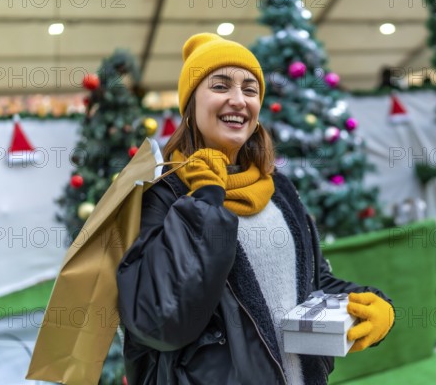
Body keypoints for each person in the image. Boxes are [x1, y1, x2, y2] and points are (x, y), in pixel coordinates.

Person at [117, 33, 395, 385]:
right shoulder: (162, 194)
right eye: (220, 86)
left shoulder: (278, 187)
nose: (238, 100)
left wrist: (372, 305)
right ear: (190, 104)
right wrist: (205, 200)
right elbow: (160, 321)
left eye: (250, 90)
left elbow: (311, 282)